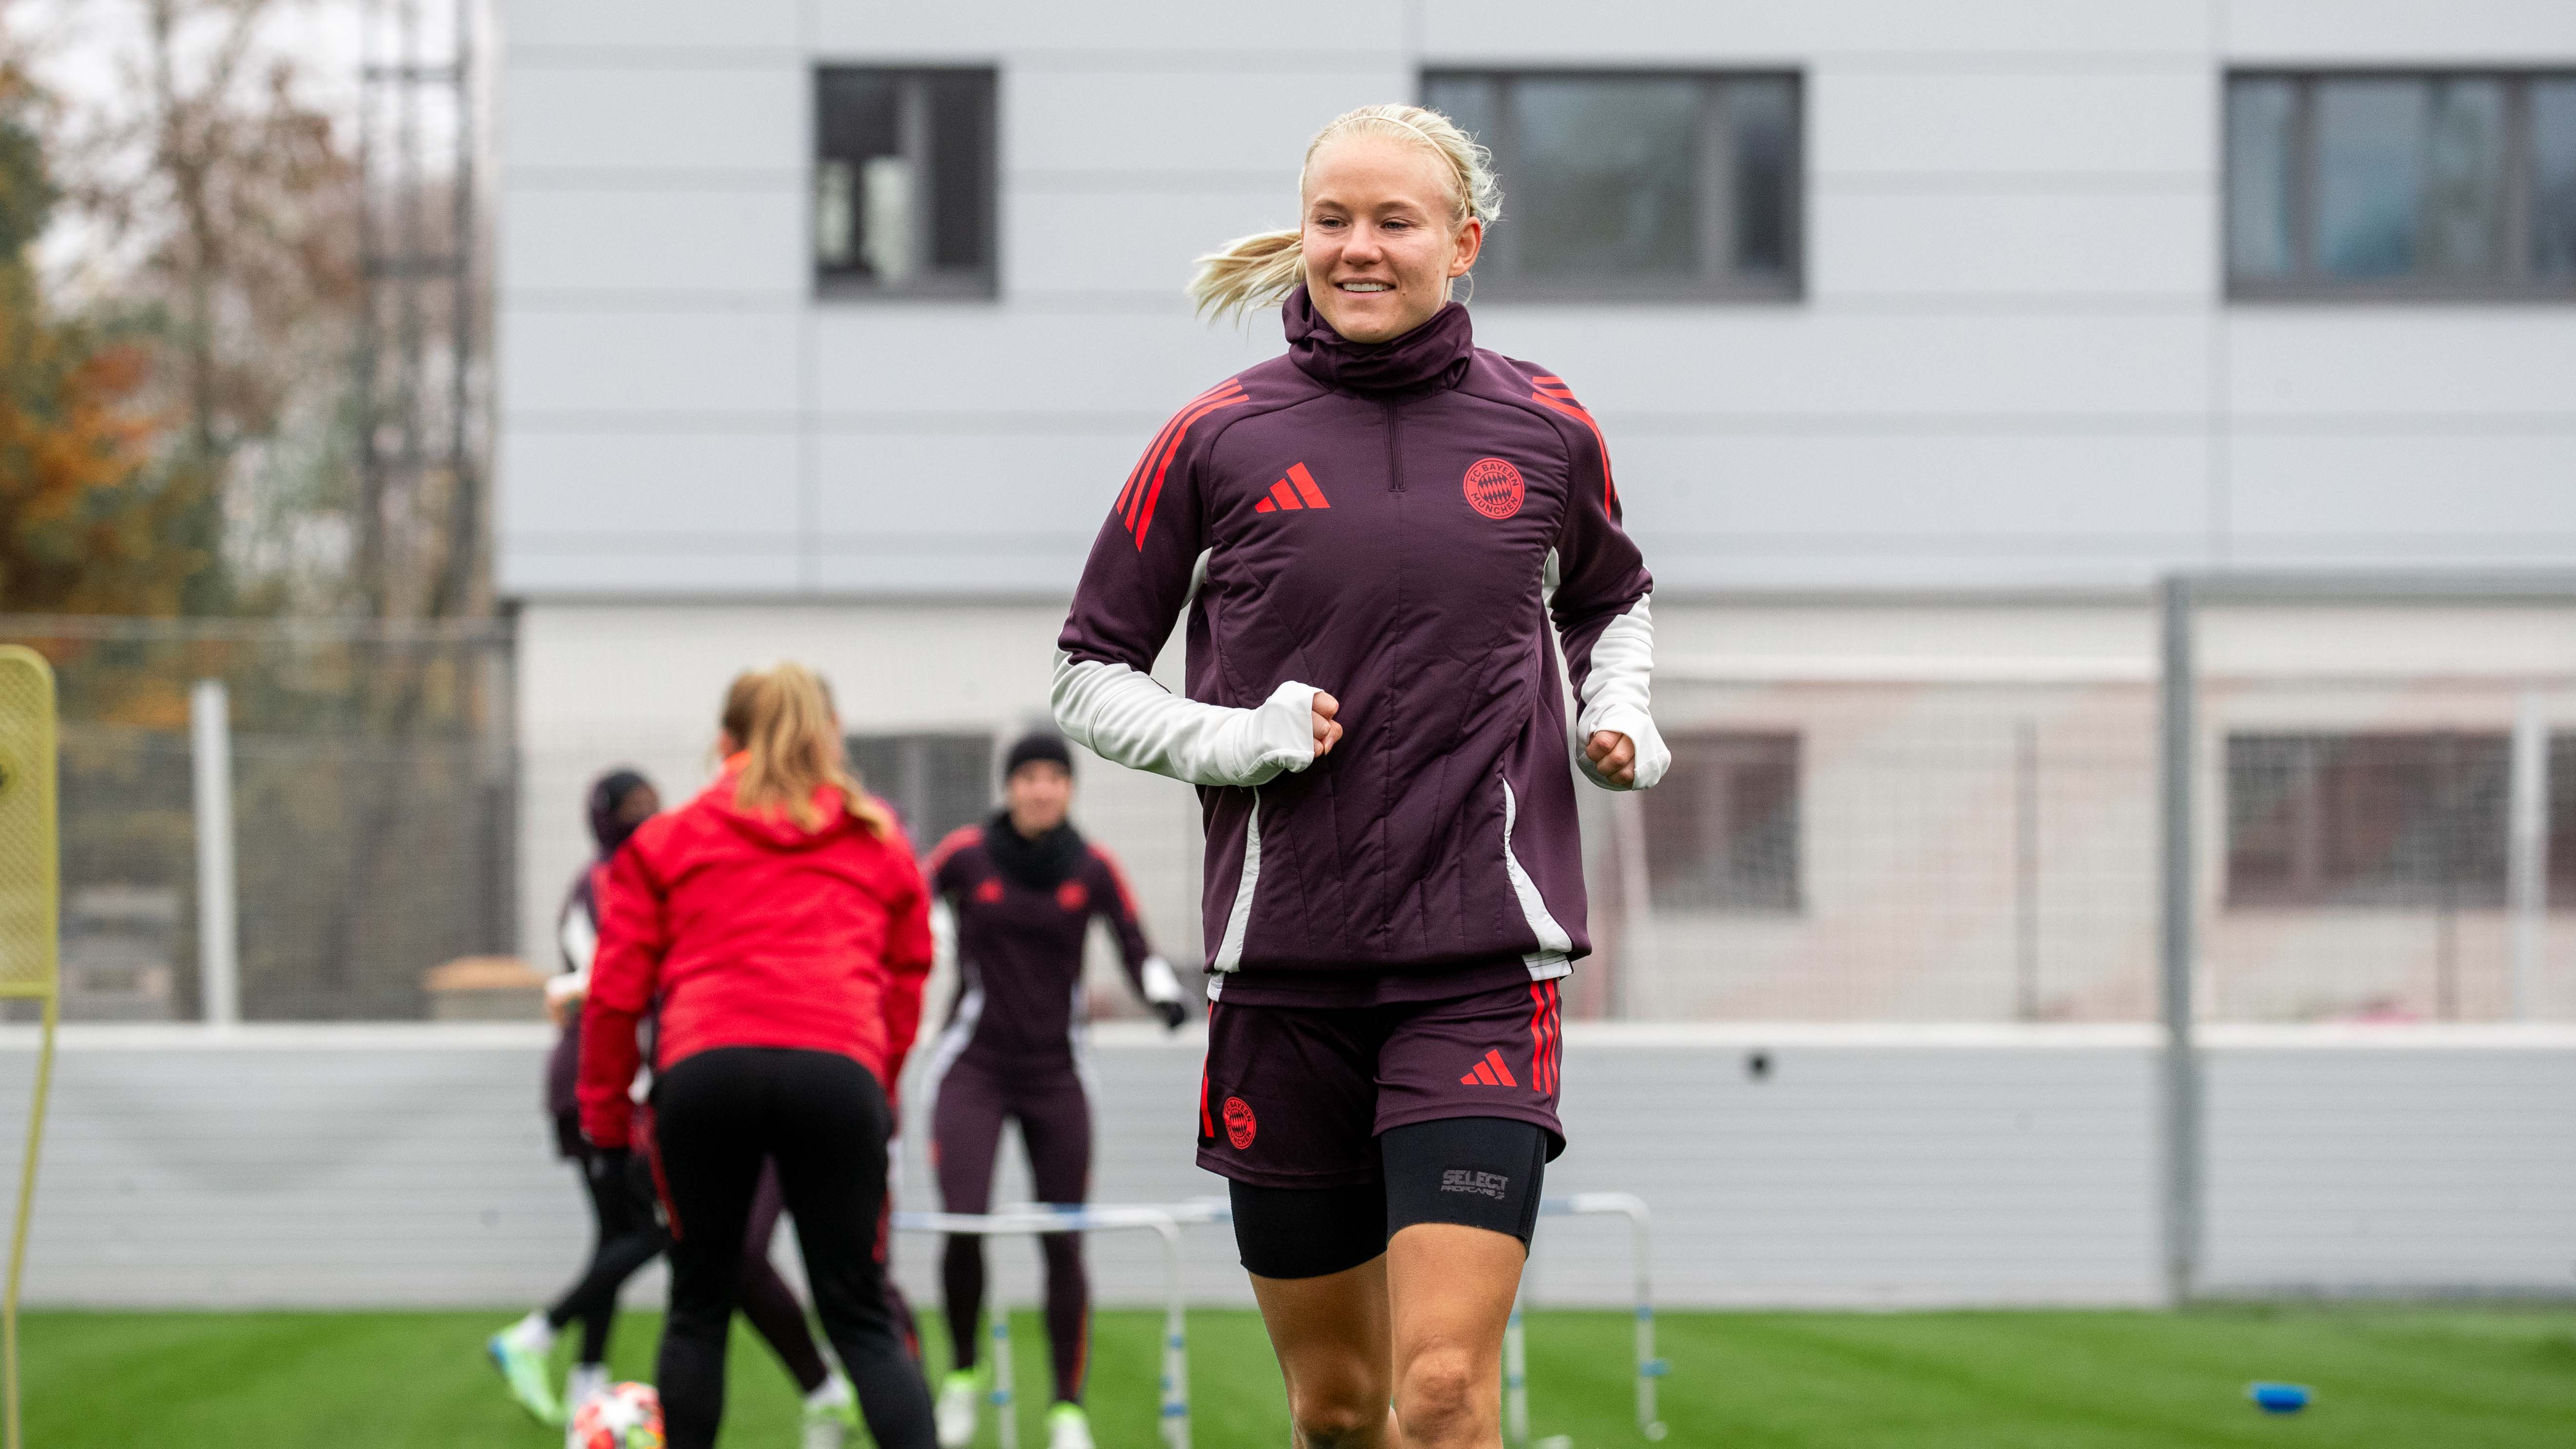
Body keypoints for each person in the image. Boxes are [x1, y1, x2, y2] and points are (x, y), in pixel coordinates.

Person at [1051, 104, 1667, 1449]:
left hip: (1481, 967)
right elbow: (1090, 669)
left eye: (1394, 221)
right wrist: (1234, 734)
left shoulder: (1547, 424)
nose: (1359, 247)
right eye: (1334, 219)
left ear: (1463, 241)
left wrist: (1623, 721)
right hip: (1282, 977)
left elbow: (1612, 601)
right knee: (1337, 1412)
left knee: (1442, 1389)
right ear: (1303, 232)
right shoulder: (1214, 437)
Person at [580, 664, 938, 1449]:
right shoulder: (877, 836)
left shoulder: (667, 839)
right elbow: (909, 973)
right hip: (836, 1069)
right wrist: (875, 1082)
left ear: (723, 742)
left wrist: (607, 1124)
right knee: (861, 1317)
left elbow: (613, 993)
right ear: (828, 738)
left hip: (705, 1070)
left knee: (700, 1305)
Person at [490, 769, 869, 1449]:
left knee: (658, 1240)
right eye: (629, 808)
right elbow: (616, 976)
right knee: (666, 1239)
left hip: (684, 1085)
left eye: (650, 804)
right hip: (614, 1087)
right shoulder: (610, 879)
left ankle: (579, 1370)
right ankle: (544, 1338)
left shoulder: (713, 865)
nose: (644, 817)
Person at [919, 731, 1190, 1449]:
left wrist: (1164, 996)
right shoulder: (965, 856)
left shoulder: (1093, 866)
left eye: (1054, 776)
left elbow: (1137, 945)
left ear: (1069, 787)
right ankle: (962, 1374)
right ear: (1009, 786)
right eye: (1028, 776)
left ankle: (1066, 1409)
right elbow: (902, 908)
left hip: (1058, 1075)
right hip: (971, 1069)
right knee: (964, 1222)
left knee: (1064, 1241)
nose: (1041, 788)